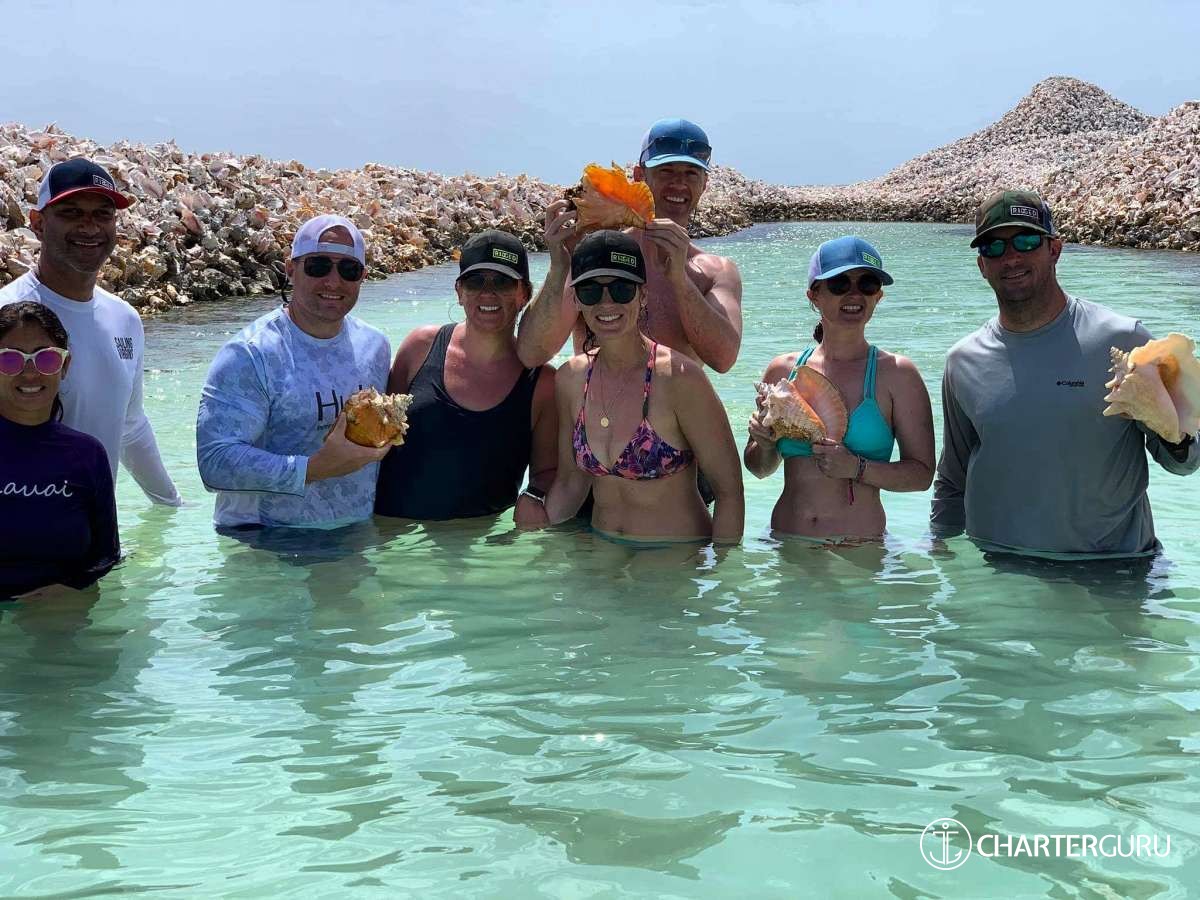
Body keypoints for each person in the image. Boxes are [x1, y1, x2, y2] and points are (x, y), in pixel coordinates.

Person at [931, 190, 1200, 557]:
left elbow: (1185, 462)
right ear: (982, 265)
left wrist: (1176, 438)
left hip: (1111, 567)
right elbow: (953, 476)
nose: (1011, 257)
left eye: (1026, 241)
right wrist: (942, 552)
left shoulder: (1124, 338)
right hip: (997, 568)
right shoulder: (962, 360)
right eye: (993, 247)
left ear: (1055, 249)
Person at [541, 230, 743, 542]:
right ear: (577, 299)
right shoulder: (570, 378)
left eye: (621, 289)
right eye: (591, 291)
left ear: (643, 295)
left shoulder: (680, 378)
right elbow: (571, 483)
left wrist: (723, 565)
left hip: (676, 554)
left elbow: (729, 491)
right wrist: (533, 542)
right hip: (603, 550)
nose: (607, 302)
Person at [0, 157, 180, 506]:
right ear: (37, 223)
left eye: (102, 214)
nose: (90, 227)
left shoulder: (125, 319)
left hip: (92, 530)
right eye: (71, 213)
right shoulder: (6, 314)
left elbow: (130, 426)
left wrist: (172, 505)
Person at [196, 214, 392, 529]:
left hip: (354, 530)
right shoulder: (250, 353)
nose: (333, 281)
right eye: (318, 266)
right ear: (290, 269)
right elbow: (215, 463)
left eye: (349, 269)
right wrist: (312, 469)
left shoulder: (375, 345)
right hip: (266, 536)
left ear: (362, 277)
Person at [517, 118, 743, 373]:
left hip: (678, 400)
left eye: (691, 173)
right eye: (666, 170)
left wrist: (680, 280)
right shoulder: (596, 258)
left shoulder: (716, 272)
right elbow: (532, 354)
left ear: (704, 184)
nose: (679, 183)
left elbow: (723, 360)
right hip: (595, 399)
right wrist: (560, 267)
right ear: (639, 176)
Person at [745, 236, 935, 538]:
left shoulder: (898, 374)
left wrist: (858, 468)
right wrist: (765, 444)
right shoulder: (783, 371)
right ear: (814, 295)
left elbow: (921, 476)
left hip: (861, 548)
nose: (854, 294)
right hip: (788, 542)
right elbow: (759, 468)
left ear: (878, 297)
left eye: (867, 284)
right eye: (839, 284)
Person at [374, 230, 557, 523]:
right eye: (475, 281)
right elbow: (380, 436)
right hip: (390, 533)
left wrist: (533, 497)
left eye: (502, 281)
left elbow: (546, 472)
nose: (488, 293)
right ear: (459, 292)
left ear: (524, 293)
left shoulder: (542, 383)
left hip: (481, 543)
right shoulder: (419, 347)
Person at [1, 302, 119, 599]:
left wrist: (69, 591)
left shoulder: (88, 455)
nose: (30, 373)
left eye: (46, 359)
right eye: (11, 360)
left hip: (61, 614)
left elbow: (106, 556)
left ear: (64, 366)